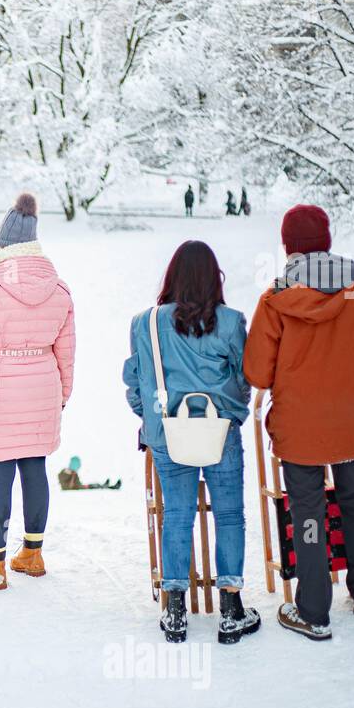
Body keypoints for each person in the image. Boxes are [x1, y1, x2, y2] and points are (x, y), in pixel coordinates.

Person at [244, 204, 354, 640]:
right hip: (351, 426)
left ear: (289, 248)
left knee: (307, 512)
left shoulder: (275, 298)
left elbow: (257, 373)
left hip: (298, 430)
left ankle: (313, 612)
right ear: (326, 243)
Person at [122, 240, 259, 644]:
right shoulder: (231, 322)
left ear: (172, 277)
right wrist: (231, 411)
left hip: (168, 433)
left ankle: (175, 610)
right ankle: (231, 609)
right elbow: (246, 376)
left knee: (177, 515)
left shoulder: (145, 323)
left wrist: (151, 420)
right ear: (214, 278)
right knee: (230, 515)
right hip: (220, 433)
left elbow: (135, 381)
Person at [0, 192, 75, 590]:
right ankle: (33, 554)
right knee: (35, 469)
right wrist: (62, 394)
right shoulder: (59, 289)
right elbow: (66, 351)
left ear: (3, 244)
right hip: (43, 387)